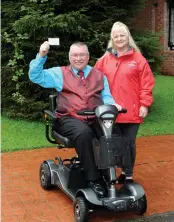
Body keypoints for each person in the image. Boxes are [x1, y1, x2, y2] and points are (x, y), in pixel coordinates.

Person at [29, 41, 122, 197]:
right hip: (68, 118)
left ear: (88, 56)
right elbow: (35, 76)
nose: (78, 58)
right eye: (75, 55)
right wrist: (41, 55)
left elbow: (106, 96)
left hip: (94, 117)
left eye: (82, 55)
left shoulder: (98, 75)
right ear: (70, 56)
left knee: (114, 132)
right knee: (84, 133)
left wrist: (113, 105)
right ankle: (94, 179)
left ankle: (108, 173)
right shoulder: (60, 73)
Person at [95, 21, 155, 184]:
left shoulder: (139, 59)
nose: (119, 38)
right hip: (110, 111)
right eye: (116, 36)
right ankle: (111, 174)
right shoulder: (104, 60)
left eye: (122, 35)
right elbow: (95, 80)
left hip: (131, 110)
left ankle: (127, 175)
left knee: (128, 144)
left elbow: (147, 83)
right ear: (112, 38)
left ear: (128, 36)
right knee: (112, 143)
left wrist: (144, 104)